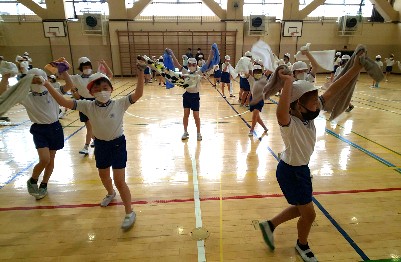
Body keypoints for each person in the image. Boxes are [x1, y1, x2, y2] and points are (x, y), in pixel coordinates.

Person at [258, 51, 365, 262]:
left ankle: (269, 225)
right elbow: (281, 112)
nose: (318, 104)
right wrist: (287, 83)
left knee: (301, 208)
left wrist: (356, 68)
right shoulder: (290, 123)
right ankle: (302, 245)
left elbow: (333, 89)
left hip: (299, 169)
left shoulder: (307, 114)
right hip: (291, 172)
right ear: (298, 105)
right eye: (314, 102)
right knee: (309, 214)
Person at [43, 58, 146, 230]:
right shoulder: (87, 105)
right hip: (100, 145)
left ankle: (129, 212)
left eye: (105, 88)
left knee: (120, 180)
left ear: (111, 90)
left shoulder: (120, 104)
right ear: (91, 93)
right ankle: (110, 193)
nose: (101, 91)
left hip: (118, 145)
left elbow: (138, 94)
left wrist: (141, 73)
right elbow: (63, 102)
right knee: (104, 176)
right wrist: (47, 85)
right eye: (97, 89)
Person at [1, 66, 73, 200]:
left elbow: (69, 85)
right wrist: (5, 77)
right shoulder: (26, 97)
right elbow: (4, 93)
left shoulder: (53, 91)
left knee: (51, 160)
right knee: (44, 159)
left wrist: (64, 70)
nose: (37, 84)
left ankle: (44, 184)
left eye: (39, 80)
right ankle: (33, 180)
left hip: (55, 128)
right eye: (34, 81)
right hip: (39, 130)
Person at [166, 48, 214, 141]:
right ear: (187, 65)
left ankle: (198, 133)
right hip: (187, 96)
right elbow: (177, 64)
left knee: (196, 116)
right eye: (190, 64)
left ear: (196, 65)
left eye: (193, 64)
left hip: (195, 97)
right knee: (186, 115)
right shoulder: (185, 72)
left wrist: (211, 54)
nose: (191, 66)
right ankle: (185, 131)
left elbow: (207, 63)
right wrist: (172, 53)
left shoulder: (199, 72)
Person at [70, 57, 113, 155]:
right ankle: (95, 141)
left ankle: (86, 146)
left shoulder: (95, 78)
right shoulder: (77, 78)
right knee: (89, 126)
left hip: (95, 102)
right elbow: (65, 79)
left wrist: (104, 63)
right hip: (83, 102)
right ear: (81, 68)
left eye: (88, 67)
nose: (87, 68)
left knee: (92, 126)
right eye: (85, 67)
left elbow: (110, 75)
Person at [248, 65, 268, 136]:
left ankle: (252, 130)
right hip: (252, 99)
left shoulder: (263, 79)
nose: (257, 73)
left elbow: (270, 70)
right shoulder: (251, 79)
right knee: (257, 117)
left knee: (254, 115)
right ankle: (265, 127)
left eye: (259, 72)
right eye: (256, 72)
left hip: (259, 99)